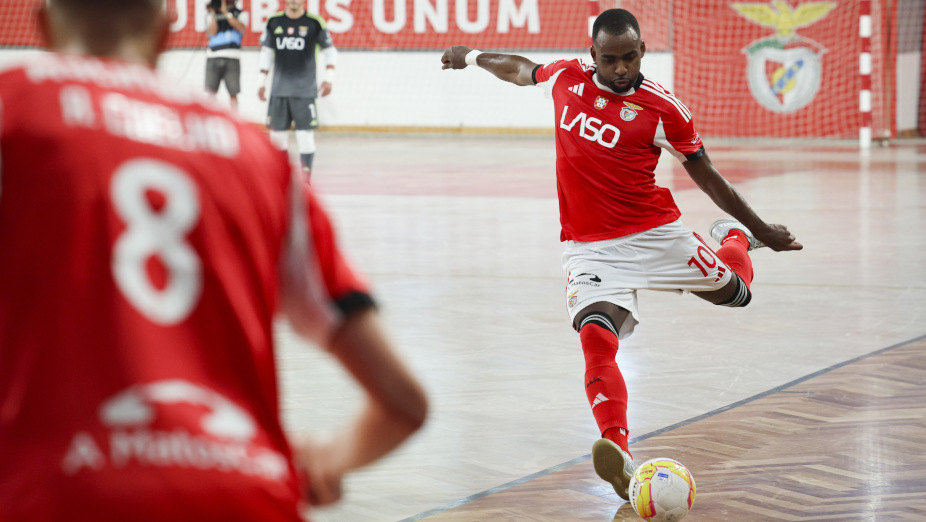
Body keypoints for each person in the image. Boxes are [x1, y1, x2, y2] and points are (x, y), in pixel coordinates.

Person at [0, 0, 427, 520]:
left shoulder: (13, 112)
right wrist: (321, 461)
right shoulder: (258, 158)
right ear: (165, 31)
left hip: (54, 495)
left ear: (42, 27)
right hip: (244, 495)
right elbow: (404, 403)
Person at [441, 8, 802, 501]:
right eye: (609, 59)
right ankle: (619, 452)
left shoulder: (663, 108)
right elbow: (519, 69)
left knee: (736, 295)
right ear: (593, 55)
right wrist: (470, 55)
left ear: (642, 52)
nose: (619, 69)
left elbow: (706, 173)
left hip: (657, 234)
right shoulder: (567, 78)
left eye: (628, 58)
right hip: (589, 248)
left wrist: (761, 229)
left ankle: (734, 238)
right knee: (595, 332)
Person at [258, 0, 337, 178]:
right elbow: (266, 52)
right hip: (279, 90)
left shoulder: (315, 23)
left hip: (305, 91)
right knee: (277, 139)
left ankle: (305, 180)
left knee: (305, 136)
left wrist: (329, 78)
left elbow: (330, 51)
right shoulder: (273, 22)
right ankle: (281, 180)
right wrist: (261, 81)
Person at [204, 0, 248, 110]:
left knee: (233, 93)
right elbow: (212, 32)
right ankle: (210, 120)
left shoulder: (241, 13)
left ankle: (235, 119)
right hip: (213, 56)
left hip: (232, 57)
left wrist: (225, 12)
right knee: (211, 93)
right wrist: (214, 12)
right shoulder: (211, 14)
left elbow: (240, 27)